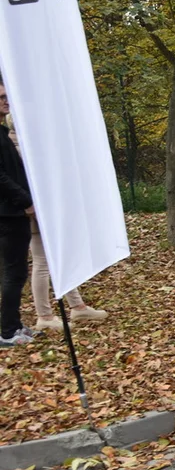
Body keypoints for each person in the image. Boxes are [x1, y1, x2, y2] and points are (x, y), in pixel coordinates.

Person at [4, 110, 109, 330]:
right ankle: (45, 315)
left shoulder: (21, 144)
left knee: (58, 257)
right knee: (42, 261)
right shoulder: (18, 146)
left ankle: (77, 306)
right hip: (35, 210)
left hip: (43, 208)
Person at [0, 83, 34, 346]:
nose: (6, 101)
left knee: (17, 271)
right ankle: (7, 331)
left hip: (12, 211)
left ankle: (13, 323)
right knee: (14, 272)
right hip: (8, 213)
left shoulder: (3, 133)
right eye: (1, 98)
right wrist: (24, 200)